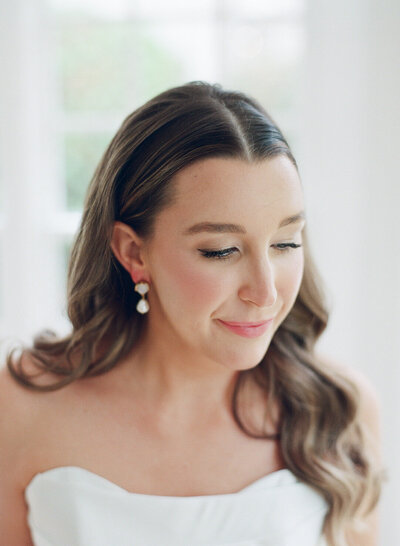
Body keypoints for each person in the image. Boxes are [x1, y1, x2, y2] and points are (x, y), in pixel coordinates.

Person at [0, 81, 385, 546]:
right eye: (221, 251)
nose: (265, 293)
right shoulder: (20, 406)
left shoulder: (339, 410)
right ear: (133, 251)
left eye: (286, 242)